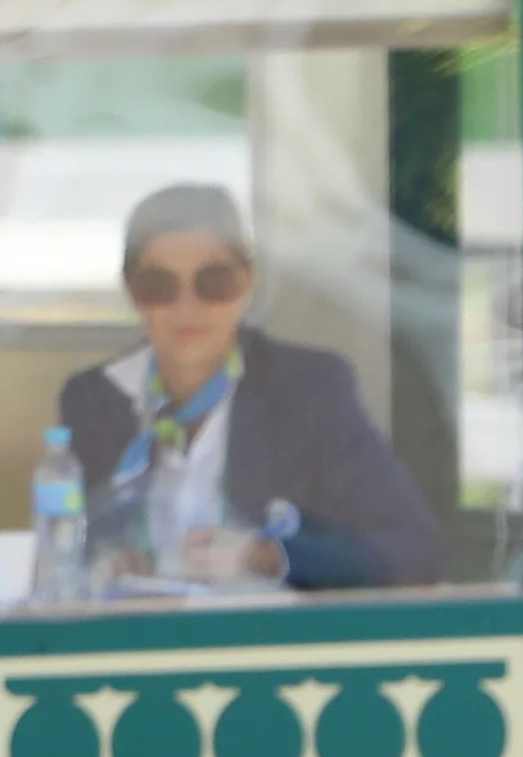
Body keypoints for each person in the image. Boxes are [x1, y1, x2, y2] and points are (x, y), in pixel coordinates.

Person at [59, 183, 446, 594]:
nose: (187, 307)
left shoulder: (308, 389)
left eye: (214, 282)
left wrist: (264, 556)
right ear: (131, 293)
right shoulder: (94, 399)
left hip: (268, 643)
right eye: (158, 286)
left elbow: (417, 552)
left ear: (247, 282)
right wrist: (104, 561)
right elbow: (72, 545)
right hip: (143, 639)